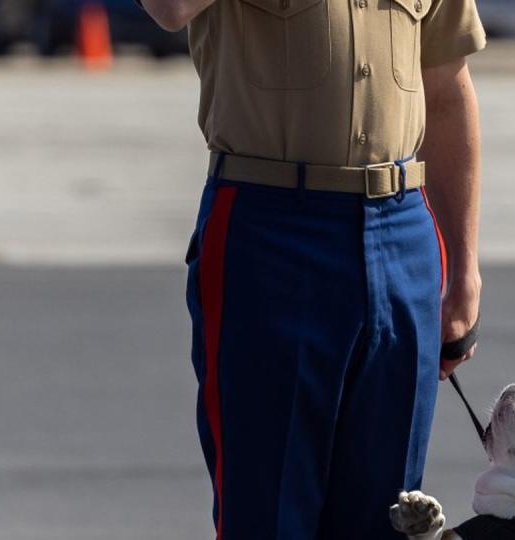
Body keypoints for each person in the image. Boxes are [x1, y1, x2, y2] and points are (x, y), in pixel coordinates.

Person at [137, 0, 485, 538]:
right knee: (269, 513)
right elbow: (170, 9)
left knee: (392, 516)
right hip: (273, 230)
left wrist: (464, 270)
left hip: (402, 232)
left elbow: (444, 89)